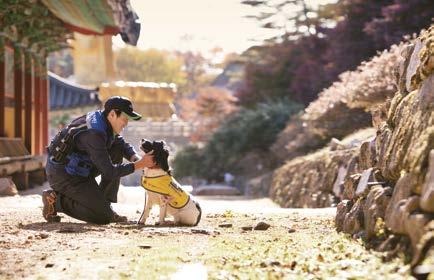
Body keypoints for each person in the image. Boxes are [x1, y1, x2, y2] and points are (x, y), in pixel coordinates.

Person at [43, 96, 154, 224]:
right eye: (124, 119)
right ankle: (55, 201)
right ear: (112, 114)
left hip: (81, 170)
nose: (126, 123)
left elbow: (120, 144)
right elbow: (109, 172)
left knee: (116, 149)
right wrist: (140, 164)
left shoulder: (103, 120)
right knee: (102, 217)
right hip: (64, 174)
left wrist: (135, 158)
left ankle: (105, 204)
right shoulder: (94, 134)